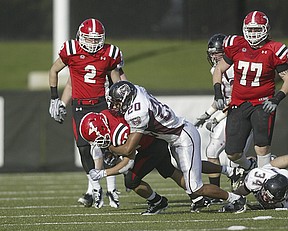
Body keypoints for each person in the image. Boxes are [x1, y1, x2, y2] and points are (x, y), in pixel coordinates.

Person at [106, 80, 248, 213]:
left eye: (118, 102)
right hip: (176, 135)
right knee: (192, 166)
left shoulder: (137, 113)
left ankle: (236, 199)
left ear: (127, 98)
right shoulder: (136, 90)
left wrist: (110, 148)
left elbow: (128, 149)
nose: (116, 106)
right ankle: (231, 171)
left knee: (195, 187)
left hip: (183, 137)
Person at [82, 110, 245, 214]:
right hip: (158, 140)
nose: (96, 142)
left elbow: (127, 162)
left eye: (96, 138)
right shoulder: (106, 116)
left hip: (155, 145)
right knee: (177, 170)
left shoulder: (118, 133)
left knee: (131, 180)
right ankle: (215, 184)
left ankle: (158, 201)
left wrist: (104, 172)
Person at [48, 18, 127, 208]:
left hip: (102, 104)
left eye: (96, 39)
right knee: (84, 148)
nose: (93, 43)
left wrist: (122, 102)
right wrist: (57, 101)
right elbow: (68, 81)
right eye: (89, 39)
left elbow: (119, 81)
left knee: (105, 147)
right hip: (80, 106)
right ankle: (93, 188)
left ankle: (110, 188)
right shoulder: (71, 51)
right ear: (80, 37)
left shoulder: (109, 53)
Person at [212, 10, 288, 171]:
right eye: (250, 29)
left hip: (262, 103)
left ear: (265, 29)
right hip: (238, 103)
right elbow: (219, 69)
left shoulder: (275, 49)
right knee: (232, 153)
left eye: (257, 29)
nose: (253, 33)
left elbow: (287, 77)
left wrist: (277, 98)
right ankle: (250, 166)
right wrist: (218, 93)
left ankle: (262, 182)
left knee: (261, 147)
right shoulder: (236, 45)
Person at [195, 33, 253, 194]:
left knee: (234, 156)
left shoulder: (234, 68)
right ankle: (217, 191)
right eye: (211, 52)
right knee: (211, 151)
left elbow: (235, 98)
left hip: (242, 113)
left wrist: (217, 117)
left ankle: (252, 170)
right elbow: (222, 99)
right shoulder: (216, 69)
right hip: (231, 112)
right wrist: (206, 114)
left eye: (216, 52)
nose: (213, 56)